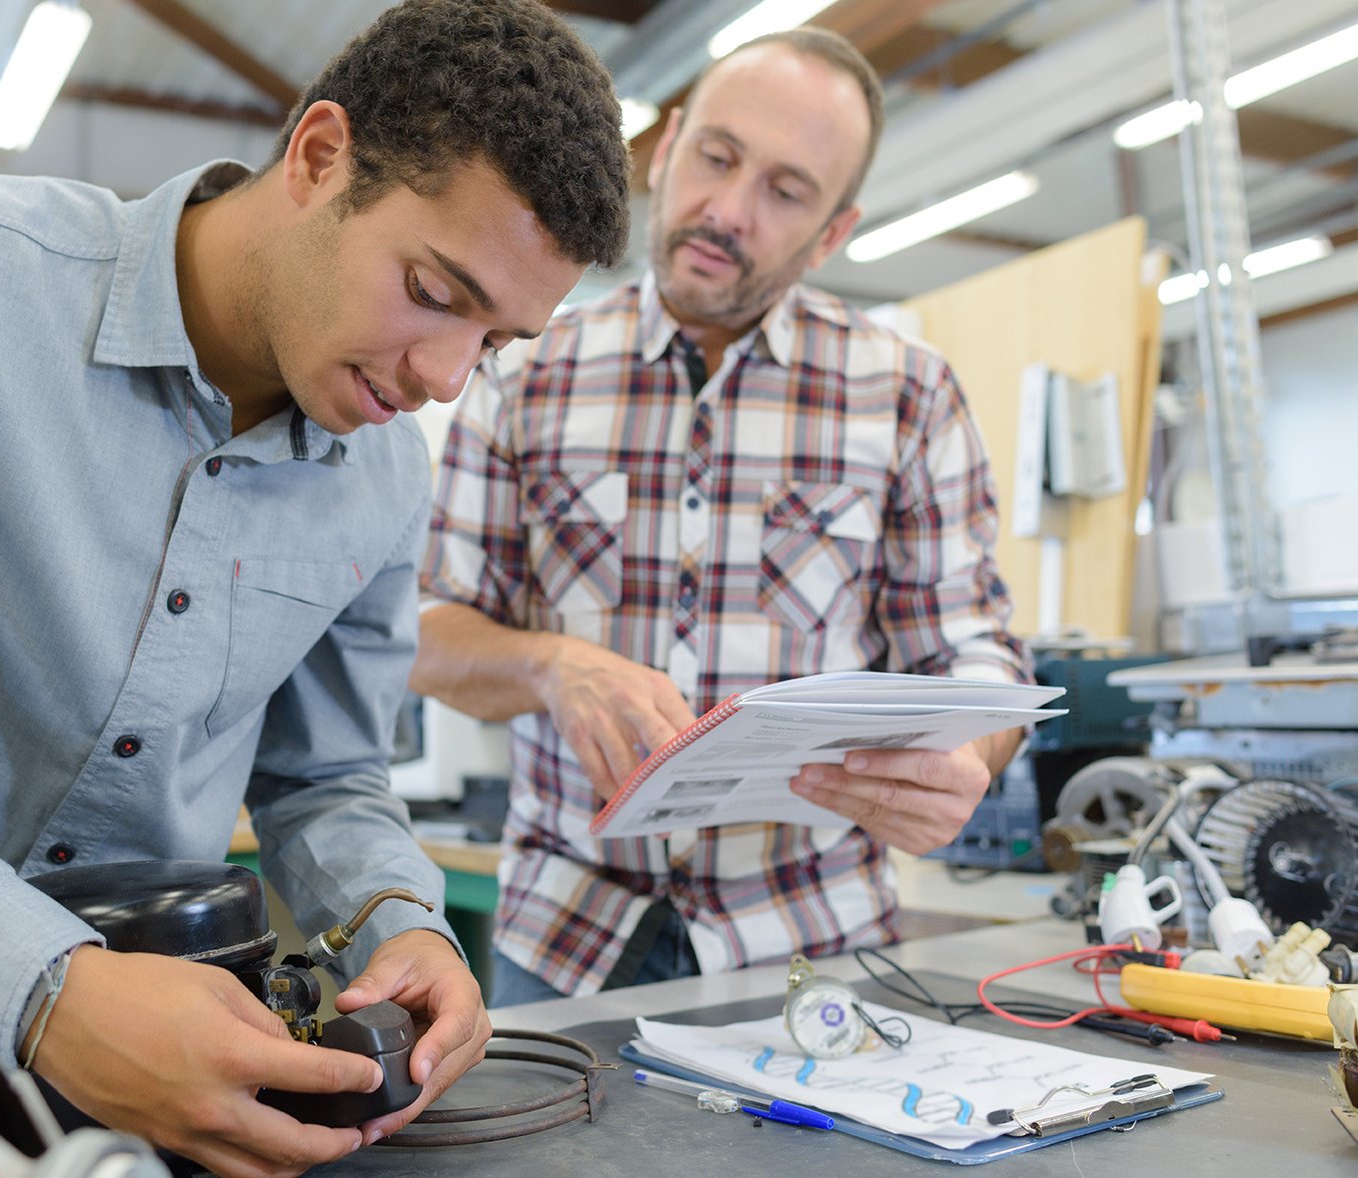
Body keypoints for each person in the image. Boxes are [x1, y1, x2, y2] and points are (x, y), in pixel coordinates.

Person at [0, 1, 630, 1173]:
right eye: (432, 287)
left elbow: (326, 777)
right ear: (319, 158)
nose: (445, 376)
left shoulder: (380, 475)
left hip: (155, 1123)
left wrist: (398, 920)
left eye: (498, 340)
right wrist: (43, 986)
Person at [412, 27, 1032, 1008]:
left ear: (832, 232)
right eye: (716, 156)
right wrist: (547, 662)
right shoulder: (520, 369)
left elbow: (970, 645)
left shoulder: (906, 392)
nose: (728, 210)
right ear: (664, 151)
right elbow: (426, 631)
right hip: (566, 936)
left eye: (786, 191)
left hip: (815, 946)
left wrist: (967, 759)